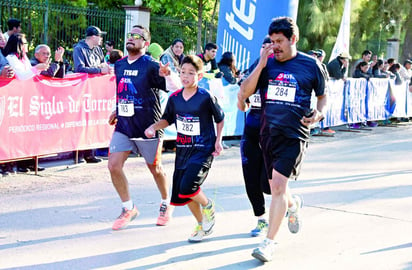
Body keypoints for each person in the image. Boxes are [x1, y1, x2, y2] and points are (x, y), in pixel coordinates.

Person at [238, 17, 327, 262]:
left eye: (280, 41)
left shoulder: (310, 66)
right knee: (277, 188)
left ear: (293, 39)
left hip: (294, 134)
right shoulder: (266, 63)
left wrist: (319, 113)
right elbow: (244, 94)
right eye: (272, 41)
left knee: (277, 187)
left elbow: (322, 96)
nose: (275, 46)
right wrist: (261, 65)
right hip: (268, 134)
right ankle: (293, 205)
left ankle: (268, 243)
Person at [144, 55, 224, 242]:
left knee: (189, 186)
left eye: (191, 73)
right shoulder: (174, 98)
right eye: (182, 72)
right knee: (182, 193)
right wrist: (153, 127)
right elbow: (167, 119)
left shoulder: (205, 97)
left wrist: (218, 141)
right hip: (183, 150)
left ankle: (208, 206)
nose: (185, 76)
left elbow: (220, 119)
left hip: (203, 148)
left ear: (200, 76)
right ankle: (203, 224)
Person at [107, 25, 175, 229]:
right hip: (125, 126)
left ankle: (165, 202)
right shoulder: (119, 65)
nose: (132, 38)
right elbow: (123, 91)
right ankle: (128, 207)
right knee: (113, 166)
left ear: (145, 43)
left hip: (148, 126)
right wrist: (116, 109)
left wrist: (168, 75)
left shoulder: (152, 65)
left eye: (137, 36)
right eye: (130, 35)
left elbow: (174, 89)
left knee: (155, 168)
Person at [237, 37, 271, 238]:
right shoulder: (252, 70)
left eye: (271, 46)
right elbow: (242, 106)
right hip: (251, 131)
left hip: (272, 133)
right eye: (263, 45)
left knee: (268, 184)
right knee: (251, 181)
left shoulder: (279, 72)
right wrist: (242, 99)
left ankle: (289, 203)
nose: (267, 49)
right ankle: (261, 219)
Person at [3, 33, 49, 173]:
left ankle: (27, 162)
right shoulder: (11, 58)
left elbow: (30, 73)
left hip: (27, 98)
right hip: (14, 99)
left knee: (28, 130)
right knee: (13, 131)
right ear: (19, 45)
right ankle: (10, 163)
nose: (27, 46)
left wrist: (39, 70)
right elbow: (22, 75)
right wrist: (37, 68)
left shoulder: (24, 58)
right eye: (24, 43)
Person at [73, 25, 112, 163]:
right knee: (82, 121)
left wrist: (106, 68)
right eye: (100, 36)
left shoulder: (98, 50)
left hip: (96, 90)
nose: (102, 39)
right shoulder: (79, 49)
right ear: (93, 37)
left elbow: (102, 64)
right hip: (84, 90)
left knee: (93, 121)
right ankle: (78, 153)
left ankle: (90, 152)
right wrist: (99, 70)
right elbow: (79, 68)